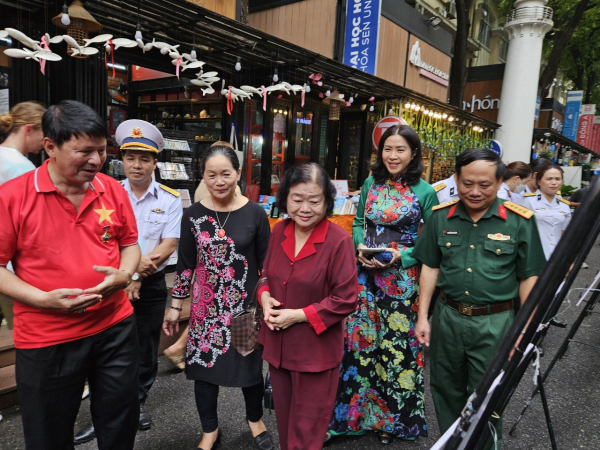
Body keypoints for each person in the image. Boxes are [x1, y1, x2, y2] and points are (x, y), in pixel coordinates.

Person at [0, 100, 141, 450]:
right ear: (50, 146)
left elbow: (130, 243)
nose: (96, 160)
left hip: (115, 326)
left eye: (102, 150)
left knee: (120, 422)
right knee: (48, 432)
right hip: (47, 337)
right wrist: (42, 299)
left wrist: (125, 274)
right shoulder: (13, 197)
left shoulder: (111, 189)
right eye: (84, 152)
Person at [412, 148, 546, 450]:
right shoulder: (439, 217)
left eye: (484, 185)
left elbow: (529, 278)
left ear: (500, 182)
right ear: (456, 178)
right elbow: (430, 267)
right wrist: (423, 316)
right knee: (446, 390)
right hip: (447, 317)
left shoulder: (519, 221)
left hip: (496, 323)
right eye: (467, 183)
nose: (474, 191)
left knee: (488, 396)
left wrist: (524, 330)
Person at [326, 124, 438, 446]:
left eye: (400, 149)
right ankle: (354, 419)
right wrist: (360, 247)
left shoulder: (425, 192)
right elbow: (359, 222)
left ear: (413, 153)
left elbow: (431, 241)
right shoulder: (371, 183)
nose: (393, 155)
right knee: (360, 346)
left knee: (397, 351)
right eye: (388, 149)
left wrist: (399, 257)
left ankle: (394, 422)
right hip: (365, 278)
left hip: (402, 283)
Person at [73, 120, 183, 444]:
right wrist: (126, 274)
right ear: (122, 160)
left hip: (149, 283)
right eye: (131, 158)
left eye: (144, 159)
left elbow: (169, 244)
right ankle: (104, 413)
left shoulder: (170, 198)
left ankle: (137, 404)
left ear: (154, 162)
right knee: (105, 351)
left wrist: (134, 273)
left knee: (146, 348)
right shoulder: (103, 192)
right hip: (109, 282)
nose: (137, 165)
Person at [163, 144, 274, 450]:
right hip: (205, 311)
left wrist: (268, 300)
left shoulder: (255, 213)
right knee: (205, 372)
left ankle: (255, 420)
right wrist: (176, 307)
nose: (219, 181)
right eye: (211, 175)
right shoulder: (193, 215)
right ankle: (209, 430)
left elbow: (267, 265)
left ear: (238, 173)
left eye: (226, 173)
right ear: (204, 177)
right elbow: (186, 265)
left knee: (249, 370)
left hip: (244, 310)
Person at [258, 162, 358, 450]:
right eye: (297, 199)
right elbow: (265, 275)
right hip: (278, 347)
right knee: (287, 426)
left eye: (314, 201)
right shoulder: (279, 231)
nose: (304, 208)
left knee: (306, 433)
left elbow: (346, 298)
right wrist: (264, 296)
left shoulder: (338, 240)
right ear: (285, 198)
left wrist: (298, 315)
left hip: (315, 351)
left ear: (327, 201)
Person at [0, 101, 46, 330]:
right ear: (29, 129)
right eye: (43, 134)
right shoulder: (23, 168)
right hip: (8, 265)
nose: (45, 142)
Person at [518, 164, 572, 260]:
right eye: (549, 179)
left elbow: (565, 235)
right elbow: (518, 230)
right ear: (539, 181)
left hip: (556, 257)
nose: (554, 182)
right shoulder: (527, 200)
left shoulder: (564, 205)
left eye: (558, 179)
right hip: (533, 257)